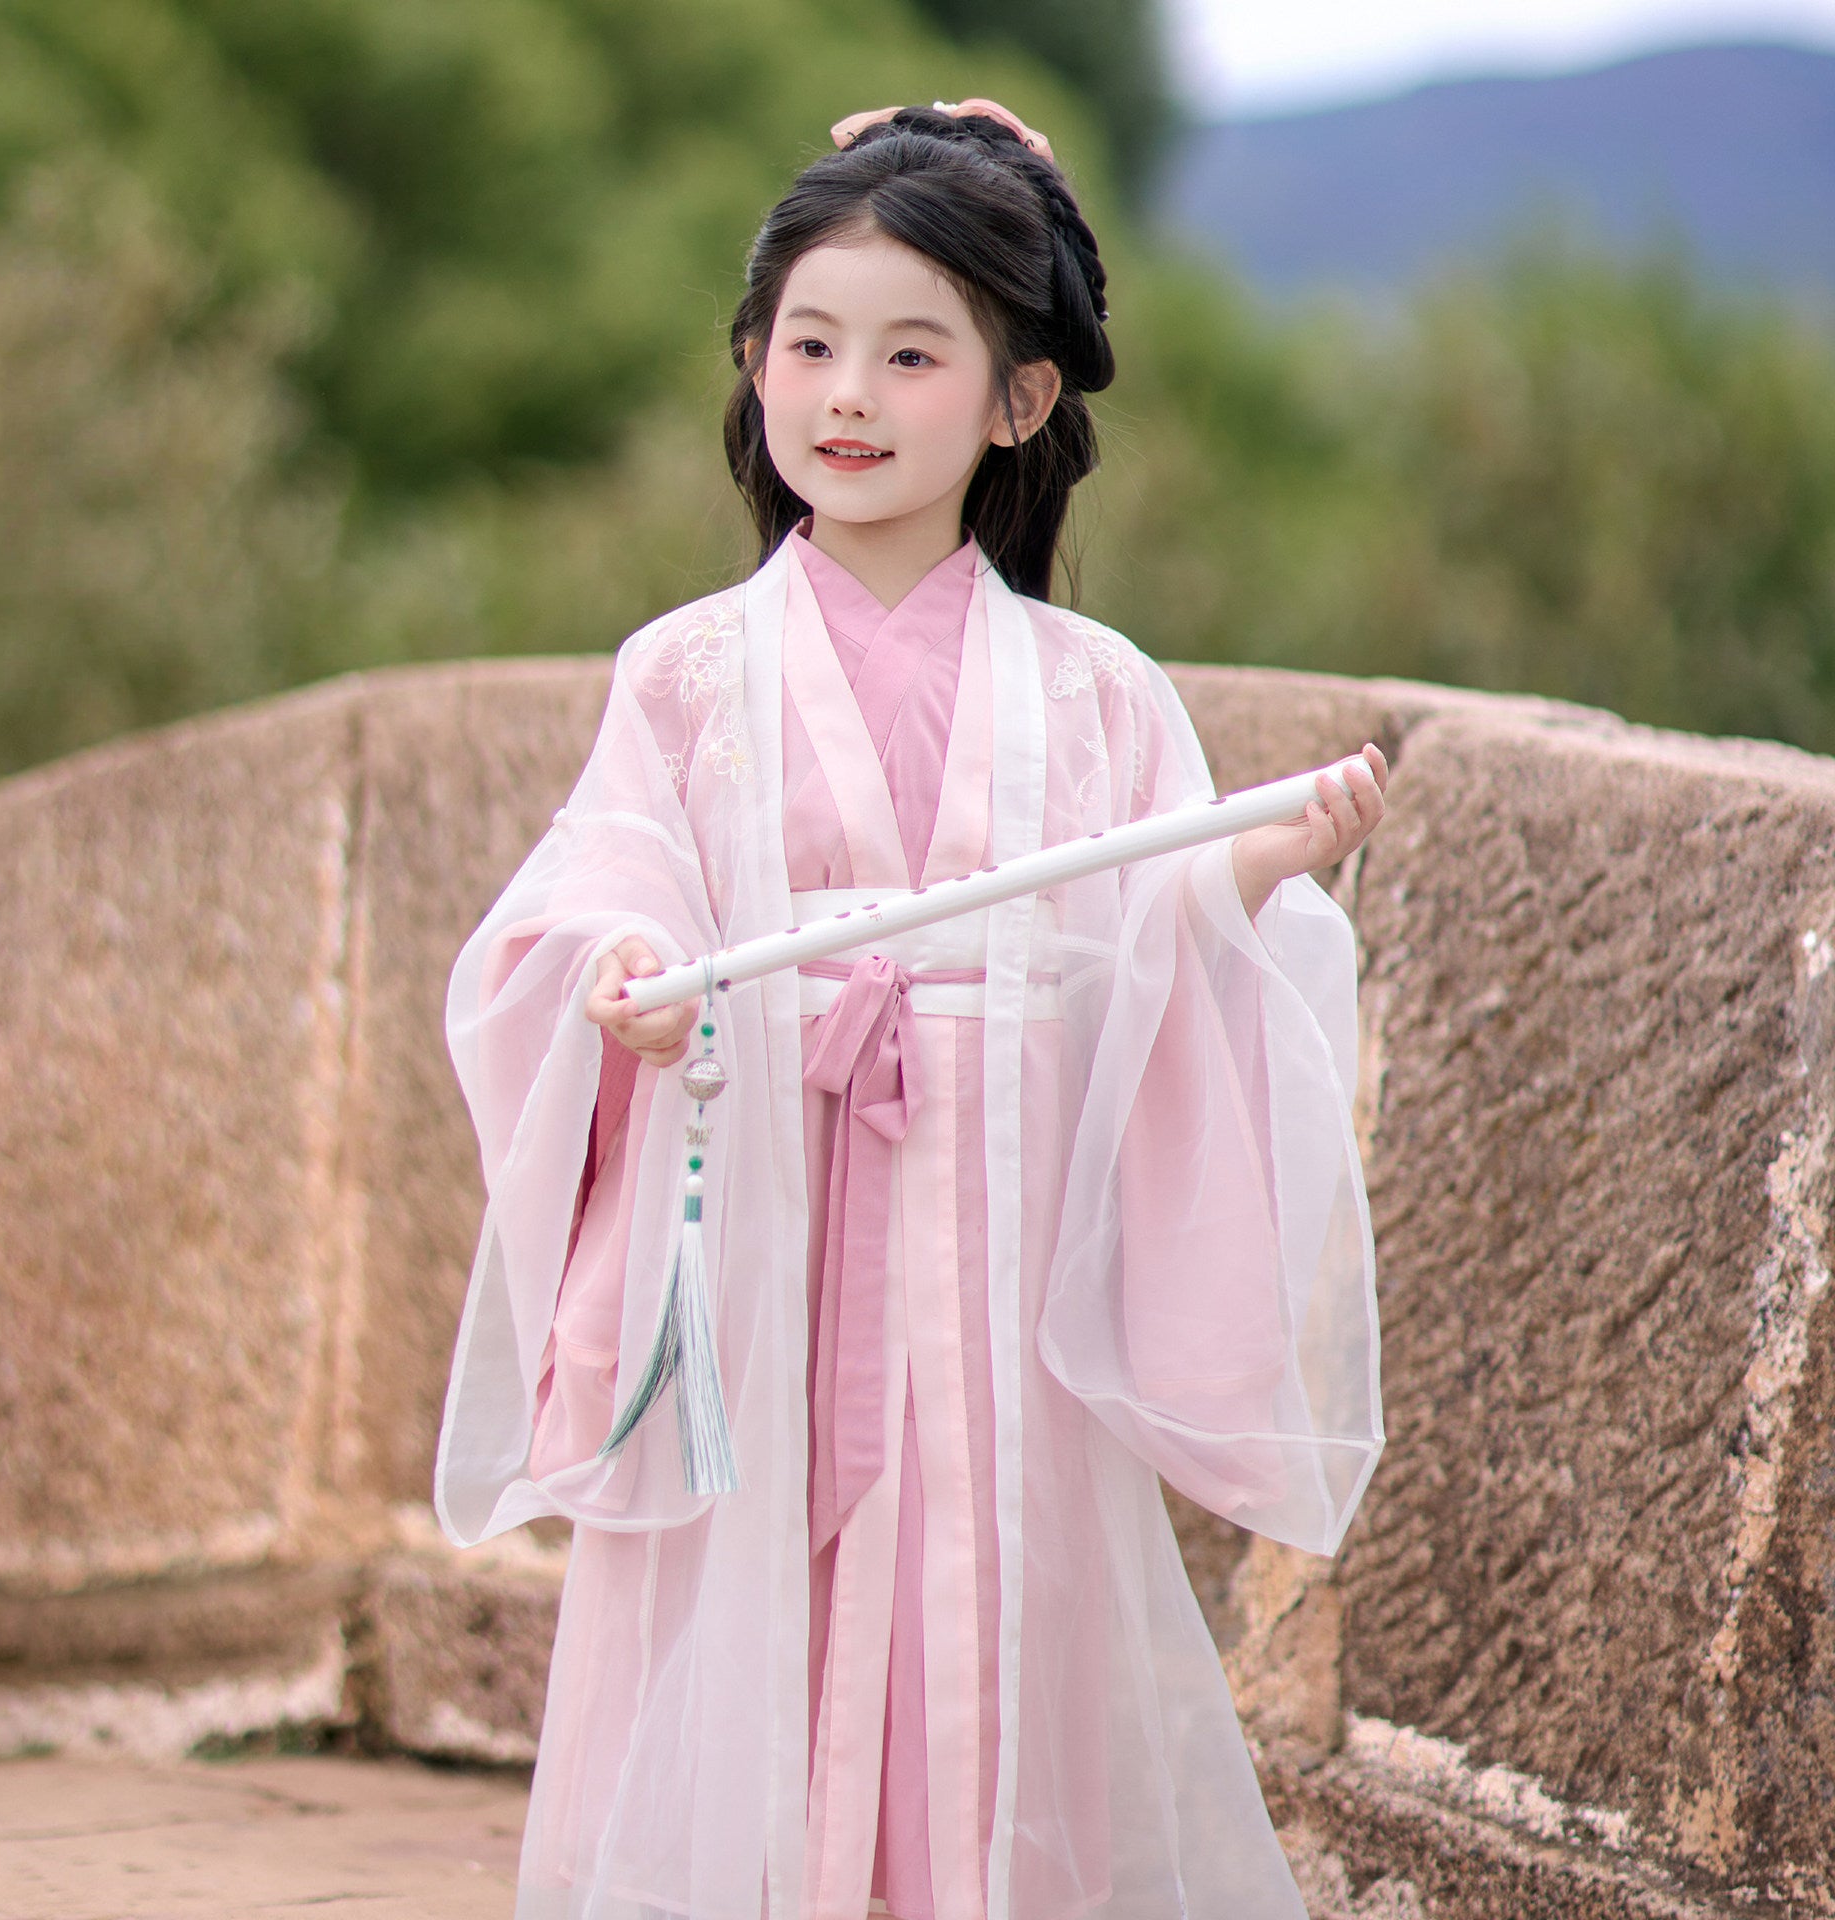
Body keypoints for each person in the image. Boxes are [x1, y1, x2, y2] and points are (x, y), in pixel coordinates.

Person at [434, 100, 1388, 1920]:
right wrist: (619, 977)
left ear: (1018, 400)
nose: (847, 393)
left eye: (909, 351)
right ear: (753, 365)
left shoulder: (1093, 692)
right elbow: (593, 891)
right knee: (749, 1604)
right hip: (764, 1222)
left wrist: (1244, 875)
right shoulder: (689, 674)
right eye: (810, 344)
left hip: (990, 1254)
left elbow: (1130, 949)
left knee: (985, 1604)